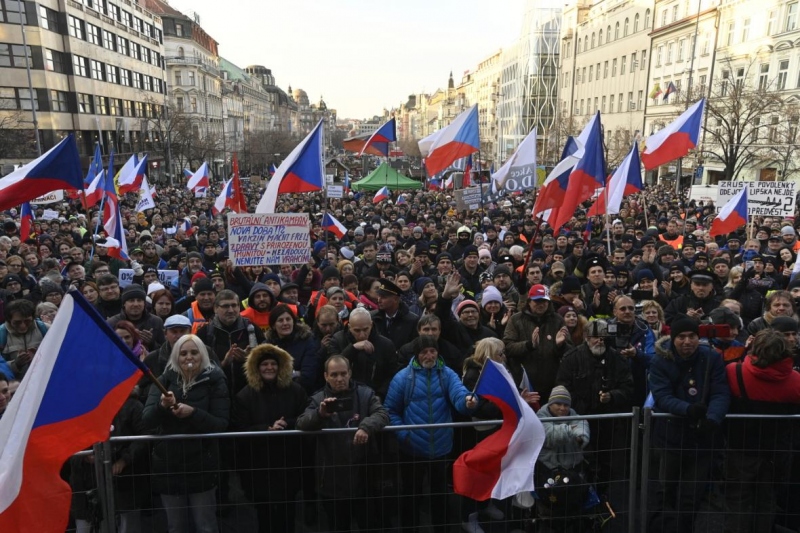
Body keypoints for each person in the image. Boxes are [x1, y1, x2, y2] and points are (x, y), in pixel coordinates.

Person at [384, 335, 478, 530]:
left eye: (432, 351)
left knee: (440, 496)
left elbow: (459, 394)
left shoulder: (447, 374)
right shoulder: (403, 377)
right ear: (417, 355)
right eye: (424, 351)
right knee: (411, 495)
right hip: (412, 449)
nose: (429, 355)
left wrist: (468, 401)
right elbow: (390, 410)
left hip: (441, 447)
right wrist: (404, 436)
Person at [647, 317, 730, 533]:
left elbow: (720, 391)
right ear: (673, 338)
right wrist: (687, 409)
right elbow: (662, 396)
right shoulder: (660, 361)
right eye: (681, 337)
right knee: (666, 490)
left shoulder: (711, 358)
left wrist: (713, 418)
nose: (687, 342)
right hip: (670, 437)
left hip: (702, 438)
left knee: (692, 494)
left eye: (692, 336)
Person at [142, 334, 229, 533]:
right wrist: (162, 406)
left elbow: (221, 424)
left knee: (205, 525)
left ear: (203, 355)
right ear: (176, 357)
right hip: (168, 465)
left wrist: (194, 413)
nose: (188, 357)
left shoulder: (215, 380)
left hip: (202, 464)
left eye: (194, 352)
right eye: (183, 353)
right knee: (176, 526)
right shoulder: (164, 379)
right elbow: (147, 420)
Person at [297, 355, 390, 533]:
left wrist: (365, 427)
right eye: (334, 375)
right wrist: (320, 414)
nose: (339, 379)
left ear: (350, 373)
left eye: (343, 374)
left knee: (369, 525)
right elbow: (302, 423)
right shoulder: (318, 399)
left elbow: (382, 414)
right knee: (338, 526)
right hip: (332, 479)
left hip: (364, 477)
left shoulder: (365, 393)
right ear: (325, 376)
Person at [724, 329, 800, 533]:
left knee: (737, 501)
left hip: (740, 449)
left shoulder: (734, 372)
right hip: (776, 452)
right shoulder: (796, 381)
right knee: (766, 501)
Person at [232, 344, 308, 533]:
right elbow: (240, 428)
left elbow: (304, 416)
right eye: (264, 364)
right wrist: (266, 429)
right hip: (258, 463)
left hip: (288, 461)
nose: (269, 367)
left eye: (273, 363)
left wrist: (286, 424)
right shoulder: (245, 395)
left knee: (288, 511)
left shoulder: (296, 390)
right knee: (263, 513)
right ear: (256, 368)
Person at [535, 386, 591, 533]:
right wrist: (570, 430)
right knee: (550, 511)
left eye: (566, 405)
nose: (562, 408)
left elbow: (583, 429)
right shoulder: (540, 417)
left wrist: (578, 434)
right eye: (558, 404)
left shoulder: (576, 416)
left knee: (573, 510)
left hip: (573, 472)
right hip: (548, 472)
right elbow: (551, 436)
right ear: (550, 404)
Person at [504, 284, 571, 403]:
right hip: (524, 383)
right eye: (537, 301)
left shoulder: (558, 320)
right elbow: (508, 347)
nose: (541, 304)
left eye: (544, 301)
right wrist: (529, 345)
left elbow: (571, 352)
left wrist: (560, 346)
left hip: (552, 383)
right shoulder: (516, 320)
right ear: (529, 302)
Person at [195, 290, 266, 399]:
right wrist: (223, 363)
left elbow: (266, 363)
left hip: (249, 395)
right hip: (216, 395)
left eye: (234, 305)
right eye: (225, 306)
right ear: (215, 308)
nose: (231, 310)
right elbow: (198, 369)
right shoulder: (205, 333)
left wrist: (249, 359)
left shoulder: (252, 329)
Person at [326, 307, 398, 398]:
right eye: (357, 330)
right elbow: (332, 367)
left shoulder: (386, 345)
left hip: (374, 396)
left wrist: (380, 394)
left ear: (371, 325)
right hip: (343, 395)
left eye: (365, 329)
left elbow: (391, 375)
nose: (362, 334)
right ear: (349, 327)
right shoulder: (338, 340)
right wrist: (353, 348)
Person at [264, 304, 321, 395]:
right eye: (280, 320)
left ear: (293, 322)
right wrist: (295, 373)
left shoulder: (307, 341)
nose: (285, 323)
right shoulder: (267, 346)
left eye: (288, 319)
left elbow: (308, 377)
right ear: (273, 325)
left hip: (301, 395)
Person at [0, 299, 48, 379]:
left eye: (27, 321)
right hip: (14, 386)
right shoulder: (2, 334)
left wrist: (41, 356)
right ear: (9, 320)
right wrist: (15, 364)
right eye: (17, 322)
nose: (23, 326)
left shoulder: (45, 329)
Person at [108, 284, 165, 351]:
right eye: (131, 300)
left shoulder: (156, 322)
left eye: (139, 300)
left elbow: (163, 352)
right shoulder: (112, 322)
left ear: (144, 303)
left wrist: (151, 343)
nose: (136, 304)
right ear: (124, 303)